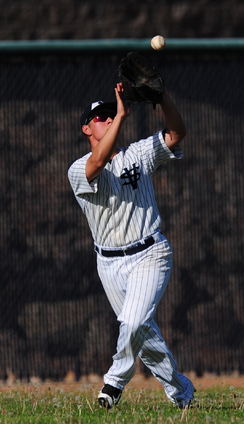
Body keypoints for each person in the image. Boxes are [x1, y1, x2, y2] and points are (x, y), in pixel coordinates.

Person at [67, 82, 195, 409]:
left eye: (111, 114)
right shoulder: (78, 170)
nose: (108, 119)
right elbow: (97, 162)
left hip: (150, 253)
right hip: (109, 264)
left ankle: (114, 382)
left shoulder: (137, 154)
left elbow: (177, 133)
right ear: (86, 128)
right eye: (100, 118)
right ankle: (182, 393)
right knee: (145, 336)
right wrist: (123, 113)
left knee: (134, 323)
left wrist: (162, 96)